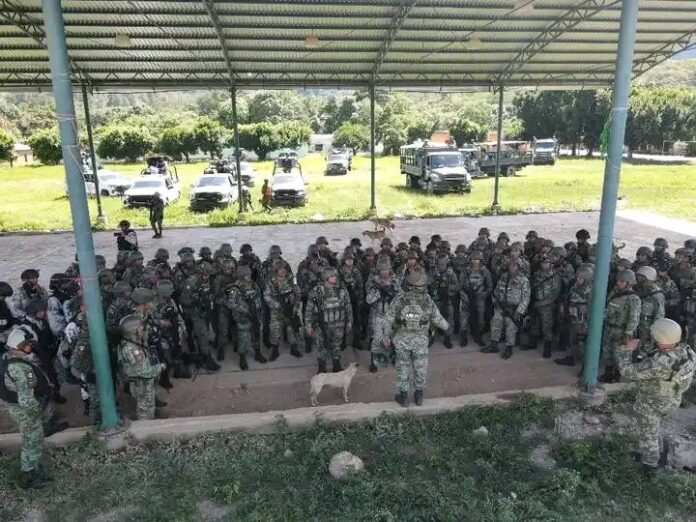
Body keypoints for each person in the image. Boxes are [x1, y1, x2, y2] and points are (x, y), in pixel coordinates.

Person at [616, 319, 695, 470]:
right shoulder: (688, 352)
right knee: (652, 428)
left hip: (653, 402)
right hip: (672, 398)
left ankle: (649, 465)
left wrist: (626, 350)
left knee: (648, 434)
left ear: (660, 339)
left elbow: (627, 371)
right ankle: (655, 453)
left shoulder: (660, 363)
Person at [1, 327, 67, 488]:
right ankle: (29, 476)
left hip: (18, 407)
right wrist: (37, 412)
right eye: (27, 345)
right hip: (26, 410)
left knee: (31, 439)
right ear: (19, 346)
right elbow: (26, 398)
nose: (30, 348)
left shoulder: (6, 358)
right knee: (32, 441)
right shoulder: (19, 369)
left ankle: (32, 469)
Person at [384, 269, 449, 407]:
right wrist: (447, 328)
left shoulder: (399, 298)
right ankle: (419, 397)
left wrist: (386, 335)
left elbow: (389, 317)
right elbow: (437, 319)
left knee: (402, 369)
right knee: (420, 369)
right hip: (420, 342)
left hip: (402, 341)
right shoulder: (427, 300)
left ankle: (403, 398)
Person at [304, 267, 353, 373]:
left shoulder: (342, 289)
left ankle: (336, 365)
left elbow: (348, 306)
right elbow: (309, 310)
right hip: (322, 325)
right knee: (322, 347)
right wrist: (308, 325)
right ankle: (322, 368)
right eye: (332, 276)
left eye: (335, 276)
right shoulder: (317, 291)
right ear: (325, 277)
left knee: (336, 346)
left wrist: (349, 321)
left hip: (338, 325)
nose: (334, 278)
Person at [117, 314, 165, 420]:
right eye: (140, 327)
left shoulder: (133, 343)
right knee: (145, 411)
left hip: (143, 384)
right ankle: (146, 430)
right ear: (133, 331)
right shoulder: (131, 349)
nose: (142, 328)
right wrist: (160, 367)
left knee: (148, 408)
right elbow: (143, 371)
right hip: (141, 384)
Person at [600, 269, 641, 383]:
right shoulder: (614, 292)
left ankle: (617, 377)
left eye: (623, 282)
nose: (619, 283)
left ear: (629, 283)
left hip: (621, 330)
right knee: (607, 352)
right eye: (618, 281)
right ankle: (607, 374)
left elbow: (634, 317)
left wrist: (628, 334)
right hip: (609, 327)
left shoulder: (633, 298)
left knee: (619, 354)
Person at [484, 261, 530, 360]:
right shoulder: (504, 277)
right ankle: (493, 344)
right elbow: (496, 291)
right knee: (496, 322)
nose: (512, 267)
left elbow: (526, 298)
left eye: (514, 265)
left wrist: (519, 311)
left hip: (514, 309)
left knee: (511, 327)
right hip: (501, 306)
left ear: (519, 267)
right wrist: (495, 302)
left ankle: (509, 347)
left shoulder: (524, 280)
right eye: (510, 265)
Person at [227, 265, 267, 370]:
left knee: (257, 335)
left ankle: (258, 353)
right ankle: (242, 358)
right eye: (246, 275)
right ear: (241, 276)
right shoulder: (235, 288)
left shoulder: (254, 284)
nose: (248, 276)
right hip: (243, 317)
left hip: (255, 315)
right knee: (243, 338)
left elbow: (259, 297)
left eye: (249, 274)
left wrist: (260, 310)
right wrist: (243, 310)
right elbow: (231, 303)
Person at [365, 257, 401, 372]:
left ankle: (395, 358)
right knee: (377, 339)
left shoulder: (395, 281)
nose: (384, 272)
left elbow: (402, 297)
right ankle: (373, 362)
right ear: (379, 271)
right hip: (379, 315)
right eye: (382, 270)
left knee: (395, 339)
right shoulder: (374, 282)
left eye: (386, 270)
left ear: (389, 270)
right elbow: (368, 299)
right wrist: (379, 293)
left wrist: (393, 294)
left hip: (392, 315)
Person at [264, 262, 304, 360]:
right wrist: (277, 305)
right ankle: (275, 351)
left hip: (291, 309)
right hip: (276, 311)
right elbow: (266, 296)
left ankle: (294, 349)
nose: (283, 270)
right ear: (276, 270)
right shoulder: (271, 281)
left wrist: (296, 306)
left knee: (292, 329)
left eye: (284, 268)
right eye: (280, 269)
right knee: (275, 330)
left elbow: (298, 293)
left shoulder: (291, 279)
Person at [555, 266, 593, 367]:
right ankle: (572, 358)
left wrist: (586, 325)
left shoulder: (590, 292)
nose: (578, 280)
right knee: (572, 341)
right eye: (577, 277)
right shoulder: (575, 287)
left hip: (582, 322)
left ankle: (585, 365)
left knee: (582, 345)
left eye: (581, 278)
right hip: (573, 318)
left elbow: (591, 310)